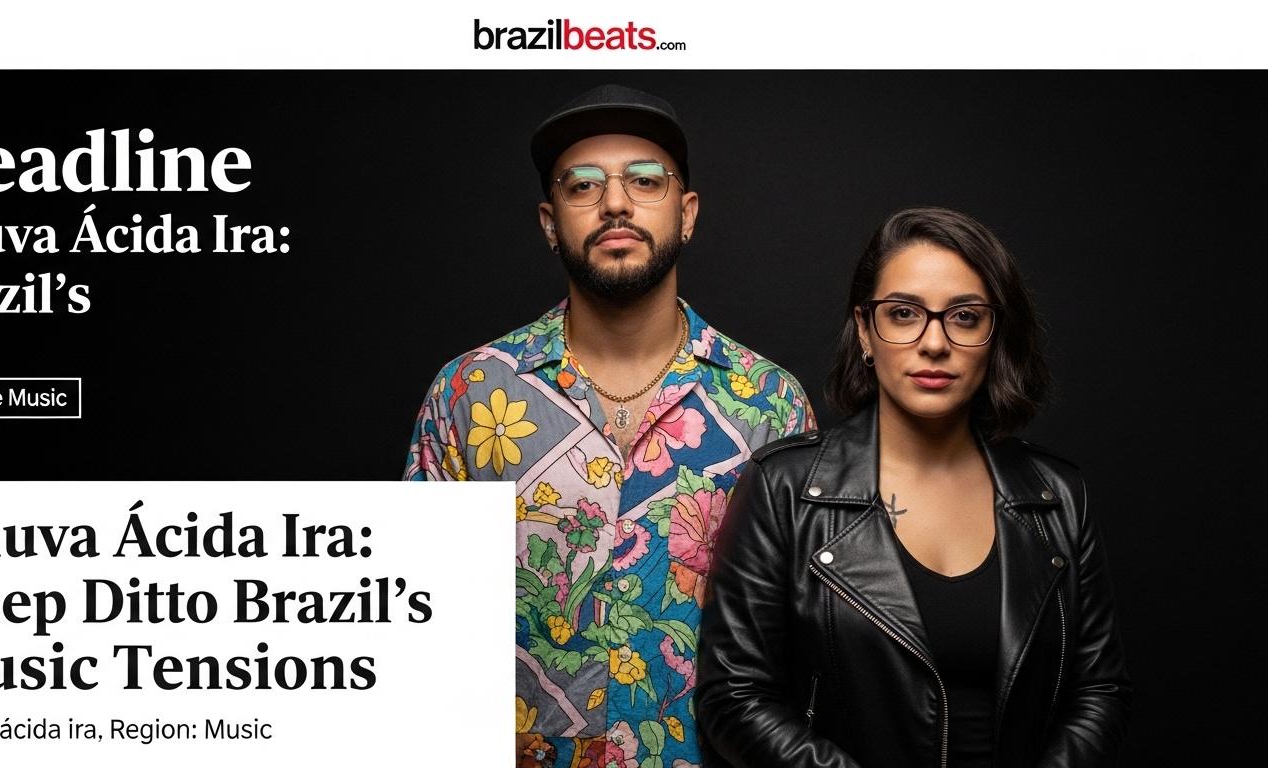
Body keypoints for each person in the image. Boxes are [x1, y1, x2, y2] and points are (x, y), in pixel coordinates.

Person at [403, 84, 816, 767]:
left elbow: (803, 646)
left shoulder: (770, 404)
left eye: (645, 181)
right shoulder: (470, 394)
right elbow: (421, 634)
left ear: (686, 215)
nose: (615, 202)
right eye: (582, 185)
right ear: (548, 221)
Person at [696, 207, 1131, 767]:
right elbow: (734, 697)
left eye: (965, 317)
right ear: (864, 331)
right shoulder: (784, 488)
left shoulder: (1058, 496)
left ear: (995, 335)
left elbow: (1101, 692)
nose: (934, 343)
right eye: (903, 314)